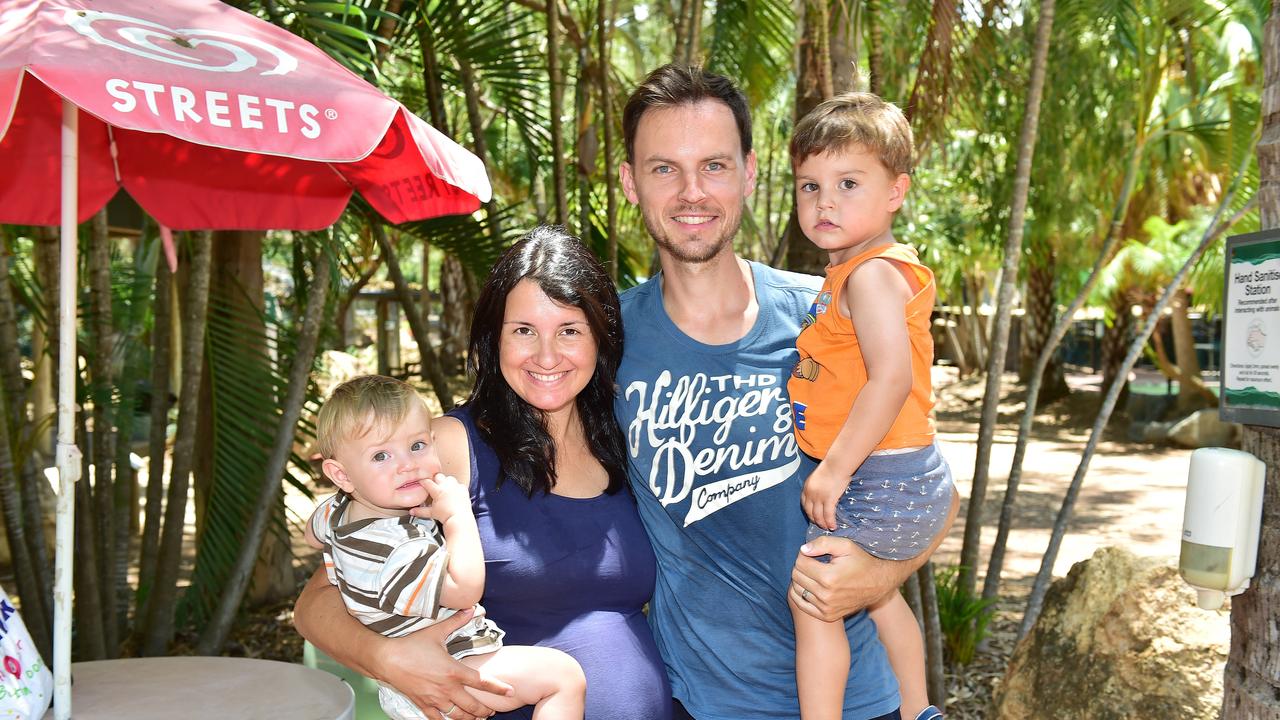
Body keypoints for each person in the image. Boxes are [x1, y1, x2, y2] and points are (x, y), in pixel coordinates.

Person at [613, 64, 959, 720]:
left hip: (861, 699)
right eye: (664, 169)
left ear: (747, 173)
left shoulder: (826, 315)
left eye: (713, 166)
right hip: (705, 701)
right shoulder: (604, 342)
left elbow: (935, 485)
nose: (692, 192)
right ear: (630, 182)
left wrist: (880, 576)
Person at [295, 227, 672, 720]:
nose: (547, 356)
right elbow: (317, 600)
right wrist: (388, 660)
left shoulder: (624, 436)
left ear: (601, 338)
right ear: (494, 339)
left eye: (569, 330)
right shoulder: (445, 448)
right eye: (523, 330)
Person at [785, 94, 953, 720]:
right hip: (903, 472)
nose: (825, 201)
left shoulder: (870, 275)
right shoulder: (854, 272)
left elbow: (889, 379)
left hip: (876, 475)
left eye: (848, 183)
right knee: (881, 598)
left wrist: (834, 469)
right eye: (810, 185)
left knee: (814, 600)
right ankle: (918, 711)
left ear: (896, 192)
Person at [305, 374, 586, 719]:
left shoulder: (335, 512)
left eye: (417, 446)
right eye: (381, 456)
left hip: (430, 671)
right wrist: (458, 517)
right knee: (562, 677)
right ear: (342, 475)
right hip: (447, 670)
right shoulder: (397, 547)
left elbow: (311, 534)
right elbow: (465, 590)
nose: (406, 464)